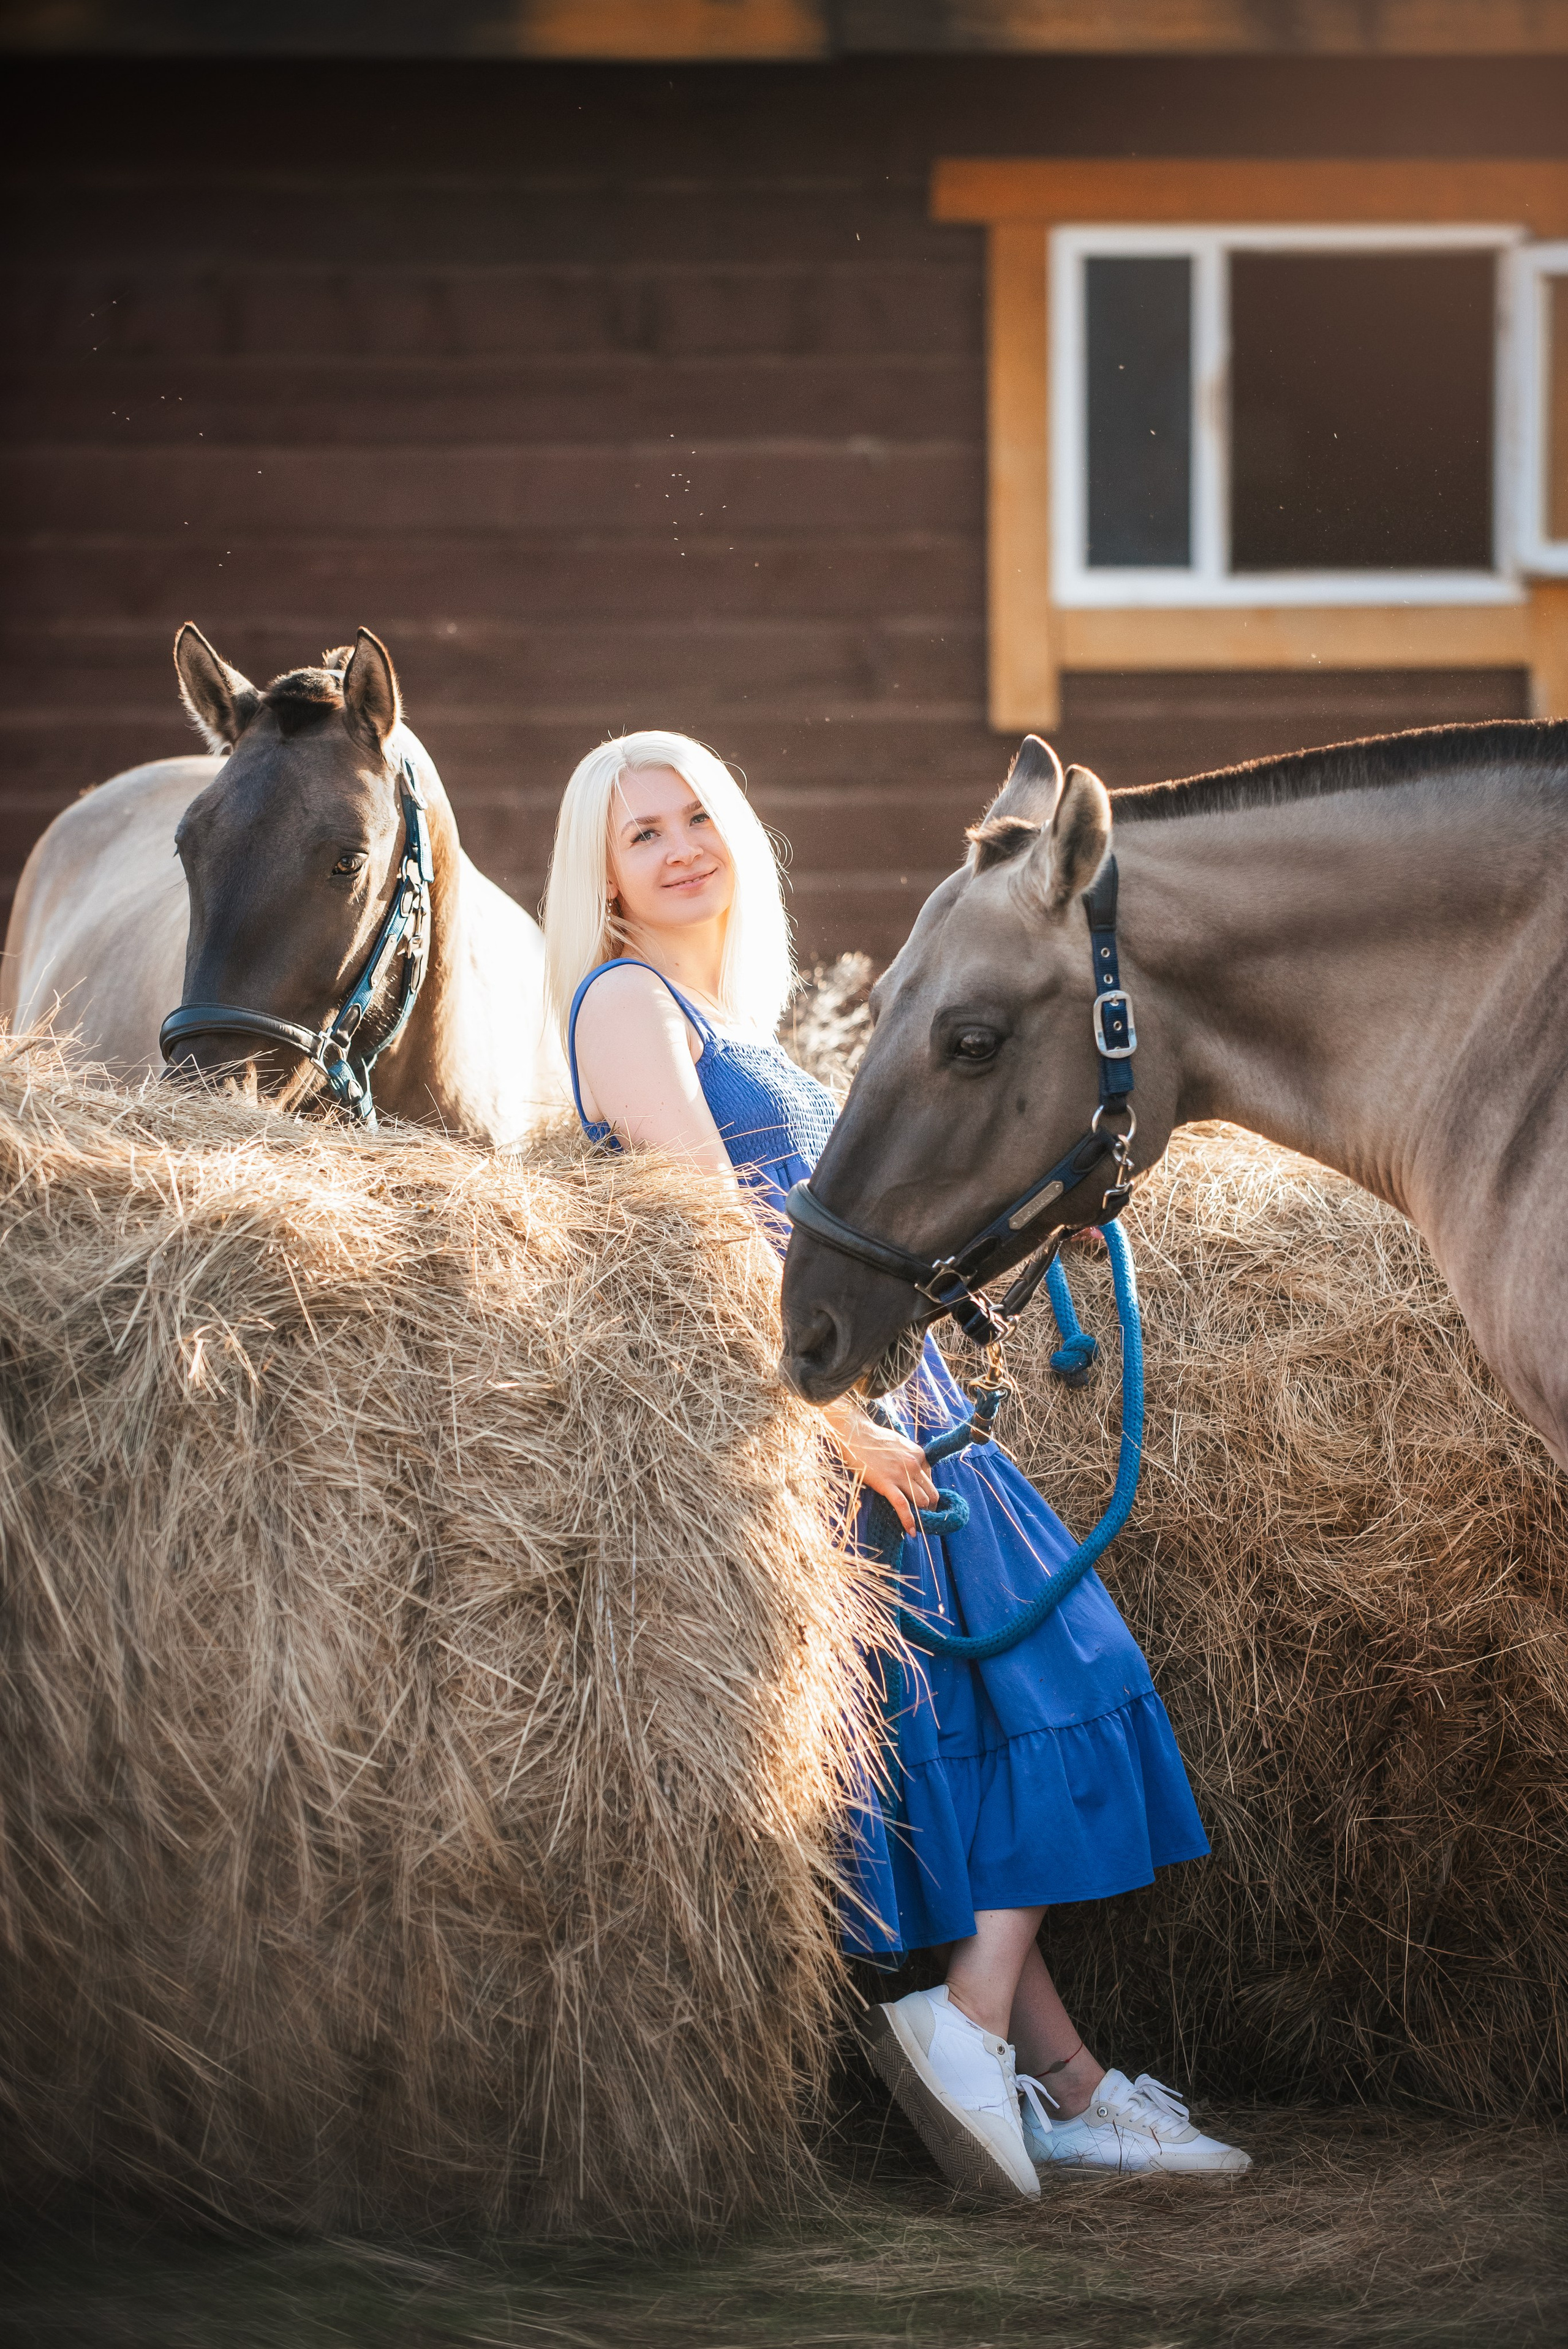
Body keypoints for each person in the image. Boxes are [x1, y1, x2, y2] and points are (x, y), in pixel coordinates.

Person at [543, 728, 1250, 2197]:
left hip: (901, 1399)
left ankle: (1056, 2080)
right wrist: (836, 1427)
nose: (680, 847)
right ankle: (971, 2021)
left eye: (696, 816)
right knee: (1067, 1673)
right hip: (829, 1420)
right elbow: (712, 1243)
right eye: (640, 834)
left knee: (992, 1742)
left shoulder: (741, 1025)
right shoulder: (623, 1003)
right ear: (602, 880)